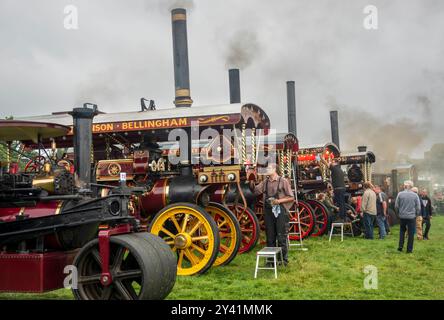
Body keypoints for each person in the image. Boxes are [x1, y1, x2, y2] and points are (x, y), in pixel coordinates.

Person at [251, 162, 295, 266]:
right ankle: (271, 261)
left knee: (281, 237)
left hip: (280, 211)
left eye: (269, 168)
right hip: (268, 212)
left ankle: (283, 261)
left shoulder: (283, 181)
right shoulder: (265, 182)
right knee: (270, 237)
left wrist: (279, 201)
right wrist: (251, 179)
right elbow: (255, 191)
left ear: (275, 169)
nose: (267, 169)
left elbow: (291, 197)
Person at [395, 180, 421, 253]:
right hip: (411, 217)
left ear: (405, 186)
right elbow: (418, 207)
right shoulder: (415, 195)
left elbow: (396, 206)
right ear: (411, 186)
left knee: (402, 231)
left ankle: (400, 246)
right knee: (411, 233)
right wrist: (416, 214)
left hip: (402, 216)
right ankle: (409, 250)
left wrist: (398, 214)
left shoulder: (400, 194)